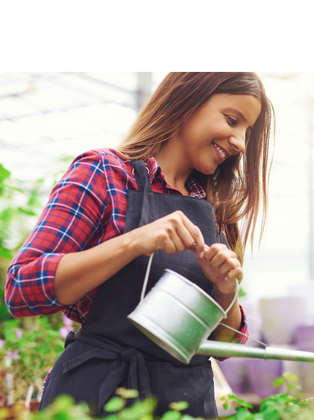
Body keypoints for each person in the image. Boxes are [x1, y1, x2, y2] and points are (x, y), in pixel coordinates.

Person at [5, 72, 274, 418]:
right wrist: (132, 242)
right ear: (187, 98)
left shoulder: (215, 210)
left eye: (247, 133)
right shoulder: (104, 173)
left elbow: (224, 346)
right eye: (232, 120)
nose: (239, 141)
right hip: (96, 399)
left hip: (184, 403)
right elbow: (21, 287)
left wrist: (225, 291)